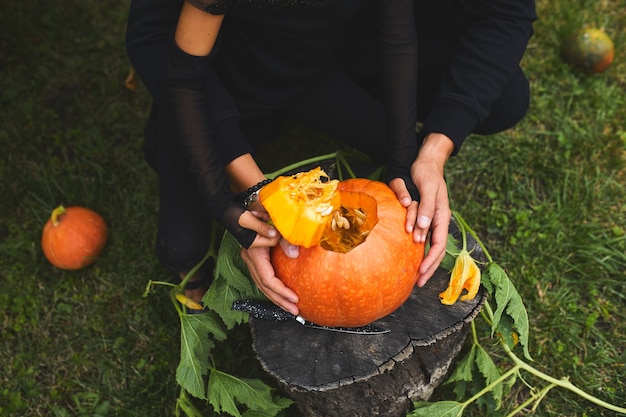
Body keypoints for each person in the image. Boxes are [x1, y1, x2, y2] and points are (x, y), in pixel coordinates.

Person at [125, 0, 535, 316]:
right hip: (236, 67)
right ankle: (251, 120)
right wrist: (237, 192)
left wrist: (410, 158)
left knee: (483, 102)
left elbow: (397, 38)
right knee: (182, 250)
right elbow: (180, 76)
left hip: (320, 54)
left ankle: (308, 100)